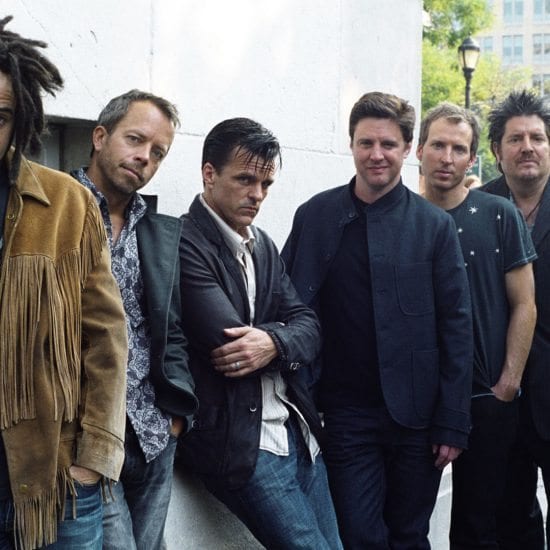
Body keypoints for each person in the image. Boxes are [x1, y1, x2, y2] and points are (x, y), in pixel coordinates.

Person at [282, 91, 473, 549]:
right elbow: (286, 303)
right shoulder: (315, 215)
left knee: (409, 535)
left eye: (388, 144)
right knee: (358, 536)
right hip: (344, 415)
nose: (376, 154)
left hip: (418, 419)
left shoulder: (434, 226)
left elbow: (457, 327)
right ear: (351, 144)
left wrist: (452, 422)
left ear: (407, 149)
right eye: (366, 143)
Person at [177, 117, 342, 549]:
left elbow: (310, 325)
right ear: (209, 174)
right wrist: (284, 336)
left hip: (296, 432)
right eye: (245, 180)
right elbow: (230, 344)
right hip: (243, 445)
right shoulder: (184, 242)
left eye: (266, 183)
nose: (258, 194)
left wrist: (272, 341)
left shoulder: (262, 245)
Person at [0, 16, 128, 550]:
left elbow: (107, 336)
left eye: (1, 115)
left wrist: (93, 458)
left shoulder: (65, 204)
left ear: (21, 120)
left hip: (52, 485)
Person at [71, 90, 198, 550]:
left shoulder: (158, 230)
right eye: (135, 139)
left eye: (158, 152)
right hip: (86, 435)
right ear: (100, 137)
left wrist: (175, 420)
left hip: (152, 434)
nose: (145, 157)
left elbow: (171, 328)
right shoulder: (54, 209)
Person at [418, 102, 537, 549]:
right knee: (409, 520)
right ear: (419, 150)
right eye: (438, 145)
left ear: (472, 158)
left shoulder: (499, 214)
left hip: (487, 397)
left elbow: (525, 304)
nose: (447, 158)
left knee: (481, 525)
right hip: (418, 401)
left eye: (458, 149)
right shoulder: (402, 216)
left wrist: (508, 383)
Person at [483, 90, 550, 550]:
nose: (527, 147)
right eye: (515, 139)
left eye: (537, 138)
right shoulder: (476, 207)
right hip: (497, 392)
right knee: (510, 518)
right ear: (496, 150)